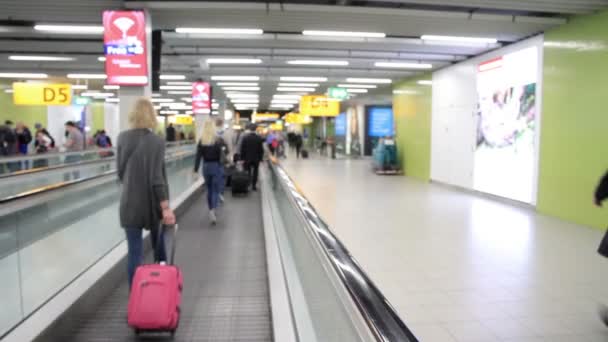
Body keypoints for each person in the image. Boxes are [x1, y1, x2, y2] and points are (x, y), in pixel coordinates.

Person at [117, 98, 176, 289]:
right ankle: (161, 289)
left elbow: (120, 172)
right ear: (152, 116)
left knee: (134, 252)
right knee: (159, 248)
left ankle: (135, 297)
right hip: (152, 204)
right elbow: (157, 178)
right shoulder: (157, 142)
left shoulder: (122, 138)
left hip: (129, 203)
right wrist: (165, 206)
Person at [194, 120, 226, 225]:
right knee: (215, 190)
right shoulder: (217, 140)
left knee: (209, 189)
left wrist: (195, 170)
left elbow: (198, 157)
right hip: (216, 166)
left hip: (206, 167)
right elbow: (222, 155)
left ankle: (210, 209)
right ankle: (214, 209)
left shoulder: (201, 140)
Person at [239, 123, 264, 191]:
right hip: (256, 159)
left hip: (247, 158)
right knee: (255, 172)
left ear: (249, 129)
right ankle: (254, 186)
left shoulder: (245, 138)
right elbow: (261, 150)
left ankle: (247, 185)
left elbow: (242, 149)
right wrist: (261, 158)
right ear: (256, 129)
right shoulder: (258, 138)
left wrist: (242, 158)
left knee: (247, 171)